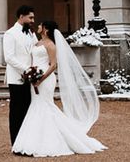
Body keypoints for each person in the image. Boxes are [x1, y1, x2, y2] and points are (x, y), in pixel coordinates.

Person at [12, 20, 106, 157]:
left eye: (40, 25)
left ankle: (51, 142)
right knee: (36, 105)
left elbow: (53, 65)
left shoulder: (51, 45)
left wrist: (41, 78)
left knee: (45, 105)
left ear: (45, 29)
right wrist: (30, 74)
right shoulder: (36, 43)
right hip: (35, 78)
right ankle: (33, 141)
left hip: (46, 78)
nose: (38, 26)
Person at [3, 4, 37, 146]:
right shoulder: (10, 34)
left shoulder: (31, 33)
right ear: (21, 17)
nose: (33, 20)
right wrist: (26, 69)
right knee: (17, 111)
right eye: (30, 17)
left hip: (31, 78)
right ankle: (16, 143)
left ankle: (27, 141)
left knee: (29, 109)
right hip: (16, 78)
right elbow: (9, 57)